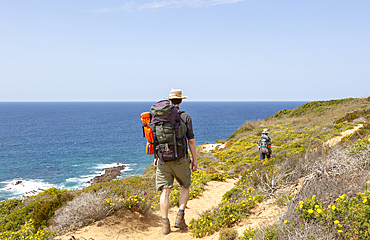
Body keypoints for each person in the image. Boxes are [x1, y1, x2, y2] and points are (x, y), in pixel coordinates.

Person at [153, 89, 198, 235]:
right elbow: (190, 140)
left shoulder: (158, 118)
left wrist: (156, 157)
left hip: (163, 159)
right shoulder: (185, 116)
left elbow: (155, 140)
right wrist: (194, 161)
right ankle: (180, 216)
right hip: (180, 159)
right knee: (185, 186)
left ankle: (165, 224)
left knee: (165, 191)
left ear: (169, 101)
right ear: (181, 101)